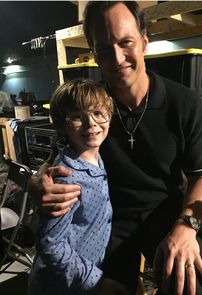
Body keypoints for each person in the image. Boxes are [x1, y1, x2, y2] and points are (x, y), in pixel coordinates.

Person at [30, 2, 202, 295]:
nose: (117, 58)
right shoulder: (90, 107)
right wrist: (37, 179)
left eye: (125, 42)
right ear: (94, 53)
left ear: (145, 39)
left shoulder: (184, 103)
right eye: (105, 48)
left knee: (196, 288)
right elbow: (57, 155)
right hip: (106, 219)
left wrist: (187, 227)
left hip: (165, 215)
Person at [28, 78, 128, 295]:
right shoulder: (67, 178)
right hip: (61, 286)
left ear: (110, 117)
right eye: (77, 116)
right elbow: (51, 245)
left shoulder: (96, 158)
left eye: (99, 113)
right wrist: (96, 282)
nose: (91, 122)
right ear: (62, 127)